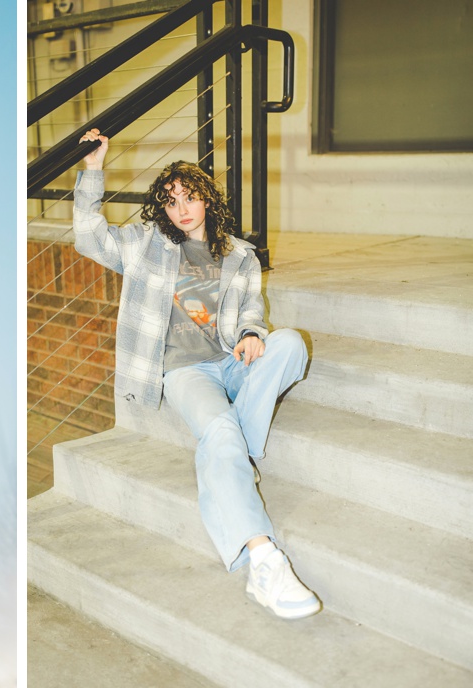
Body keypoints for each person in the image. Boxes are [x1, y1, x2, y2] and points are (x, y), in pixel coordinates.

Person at [71, 129, 320, 620]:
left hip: (231, 360)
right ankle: (263, 560)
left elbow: (251, 311)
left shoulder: (239, 256)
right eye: (170, 202)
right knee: (220, 430)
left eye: (190, 197)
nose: (181, 209)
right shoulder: (145, 245)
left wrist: (252, 333)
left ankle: (233, 456)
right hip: (184, 371)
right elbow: (88, 236)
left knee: (288, 343)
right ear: (161, 210)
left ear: (208, 198)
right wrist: (94, 169)